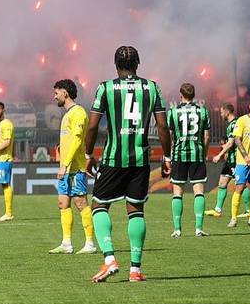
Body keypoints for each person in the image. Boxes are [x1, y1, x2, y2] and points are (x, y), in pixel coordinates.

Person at [83, 45, 171, 283]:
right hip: (141, 158)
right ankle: (135, 270)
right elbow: (163, 126)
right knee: (136, 210)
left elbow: (92, 126)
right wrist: (167, 157)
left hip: (113, 158)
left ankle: (110, 259)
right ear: (138, 63)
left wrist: (89, 154)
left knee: (99, 204)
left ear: (115, 65)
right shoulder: (152, 88)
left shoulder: (106, 88)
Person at [48, 80, 96, 254]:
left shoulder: (78, 112)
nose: (55, 97)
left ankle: (90, 243)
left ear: (65, 93)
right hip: (66, 167)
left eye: (56, 93)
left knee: (80, 202)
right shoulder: (67, 114)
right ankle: (66, 243)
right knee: (63, 203)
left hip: (75, 168)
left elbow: (76, 140)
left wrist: (66, 164)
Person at [165, 82, 210, 237]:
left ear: (181, 95)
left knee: (177, 192)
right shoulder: (203, 111)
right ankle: (199, 228)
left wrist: (170, 154)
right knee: (199, 191)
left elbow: (170, 137)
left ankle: (177, 229)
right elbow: (207, 136)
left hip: (179, 154)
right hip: (197, 154)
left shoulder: (172, 112)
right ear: (194, 95)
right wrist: (203, 152)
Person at [226, 96, 250, 229]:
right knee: (240, 187)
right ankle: (233, 218)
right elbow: (237, 139)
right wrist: (246, 156)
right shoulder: (242, 120)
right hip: (243, 161)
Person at [207, 104, 244, 219]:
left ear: (227, 112)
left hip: (235, 160)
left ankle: (248, 210)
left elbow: (231, 142)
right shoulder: (231, 124)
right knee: (222, 183)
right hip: (230, 160)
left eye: (222, 112)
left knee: (241, 184)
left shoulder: (234, 124)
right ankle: (218, 210)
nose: (221, 114)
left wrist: (219, 155)